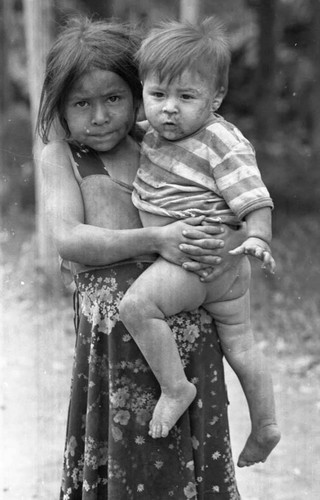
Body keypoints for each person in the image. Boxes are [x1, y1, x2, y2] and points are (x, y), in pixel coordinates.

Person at [37, 16, 245, 499]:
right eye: (82, 103)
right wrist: (157, 240)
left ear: (138, 94)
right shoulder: (62, 157)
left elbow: (228, 191)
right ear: (61, 108)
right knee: (125, 450)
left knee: (188, 452)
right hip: (115, 343)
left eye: (114, 98)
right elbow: (69, 238)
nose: (101, 116)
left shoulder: (164, 143)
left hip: (185, 331)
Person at [119, 17, 281, 467]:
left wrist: (258, 238)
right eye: (157, 95)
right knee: (242, 345)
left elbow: (255, 198)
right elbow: (131, 127)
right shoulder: (154, 130)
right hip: (224, 273)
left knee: (136, 307)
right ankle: (266, 424)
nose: (169, 109)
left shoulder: (221, 141)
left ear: (216, 98)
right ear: (145, 94)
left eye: (186, 97)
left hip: (193, 262)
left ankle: (176, 387)